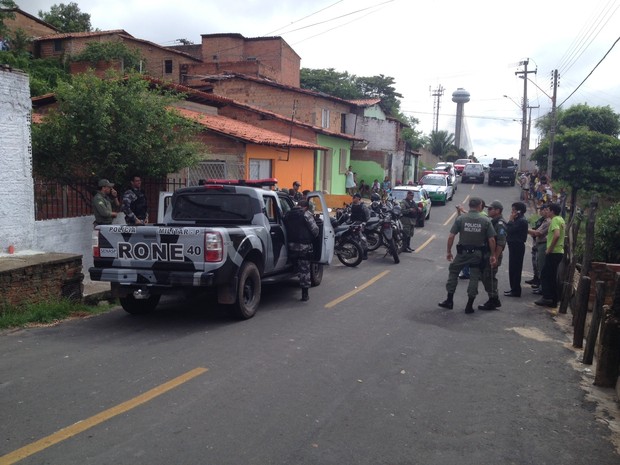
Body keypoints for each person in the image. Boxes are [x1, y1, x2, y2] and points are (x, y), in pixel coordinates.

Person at [438, 197, 497, 314]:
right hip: (477, 254)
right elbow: (491, 239)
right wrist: (493, 255)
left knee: (453, 271)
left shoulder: (461, 218)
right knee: (474, 277)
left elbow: (451, 236)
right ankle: (469, 306)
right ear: (480, 206)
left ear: (470, 205)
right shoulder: (485, 220)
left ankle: (449, 300)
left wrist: (449, 251)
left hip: (462, 253)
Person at [283, 200, 319, 302]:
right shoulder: (306, 215)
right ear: (306, 207)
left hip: (290, 246)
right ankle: (304, 294)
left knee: (295, 265)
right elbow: (315, 230)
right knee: (305, 270)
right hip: (303, 246)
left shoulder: (288, 214)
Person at [478, 200, 507, 310]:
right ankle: (493, 298)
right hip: (488, 254)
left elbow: (500, 242)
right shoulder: (493, 222)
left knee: (489, 277)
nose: (488, 210)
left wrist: (494, 256)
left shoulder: (500, 224)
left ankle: (493, 300)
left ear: (497, 211)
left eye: (490, 209)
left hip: (493, 255)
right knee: (486, 277)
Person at [535, 203, 566, 308]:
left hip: (554, 252)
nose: (546, 212)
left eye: (548, 210)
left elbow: (556, 235)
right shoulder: (561, 219)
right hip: (558, 251)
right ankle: (553, 299)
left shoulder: (554, 220)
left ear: (552, 211)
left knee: (545, 275)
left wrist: (549, 249)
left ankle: (547, 297)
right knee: (552, 276)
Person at [504, 201, 528, 297]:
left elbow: (509, 229)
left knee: (516, 268)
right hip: (513, 245)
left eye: (513, 210)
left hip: (517, 246)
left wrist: (510, 220)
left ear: (519, 211)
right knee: (512, 268)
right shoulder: (518, 219)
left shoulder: (521, 221)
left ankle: (516, 290)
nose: (512, 212)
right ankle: (513, 288)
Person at [526, 204, 551, 291]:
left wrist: (526, 229)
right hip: (538, 243)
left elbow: (538, 233)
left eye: (546, 210)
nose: (542, 212)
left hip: (543, 244)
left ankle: (542, 287)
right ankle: (537, 281)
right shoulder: (542, 220)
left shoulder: (548, 221)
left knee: (541, 266)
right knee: (537, 264)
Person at [349, 192, 370, 260]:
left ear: (358, 198)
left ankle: (365, 253)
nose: (353, 198)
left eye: (354, 197)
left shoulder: (362, 206)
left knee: (362, 238)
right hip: (353, 223)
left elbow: (367, 216)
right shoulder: (352, 205)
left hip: (361, 223)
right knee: (354, 239)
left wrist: (364, 223)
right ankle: (355, 252)